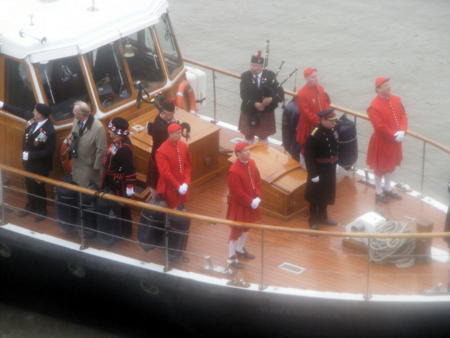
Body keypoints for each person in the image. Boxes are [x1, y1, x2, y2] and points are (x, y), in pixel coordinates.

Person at [0, 101, 55, 222]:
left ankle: (41, 210)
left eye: (35, 111)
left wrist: (31, 155)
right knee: (29, 186)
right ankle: (30, 206)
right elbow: (19, 111)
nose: (33, 112)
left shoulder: (48, 130)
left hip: (40, 166)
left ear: (40, 115)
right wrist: (3, 105)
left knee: (38, 188)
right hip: (29, 164)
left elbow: (49, 151)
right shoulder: (33, 119)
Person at [366, 77, 408, 203]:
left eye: (389, 85)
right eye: (385, 86)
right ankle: (378, 191)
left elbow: (403, 116)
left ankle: (388, 188)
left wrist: (402, 130)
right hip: (382, 141)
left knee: (391, 165)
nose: (389, 87)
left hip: (395, 140)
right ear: (378, 89)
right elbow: (379, 127)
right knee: (380, 168)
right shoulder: (373, 106)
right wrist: (394, 135)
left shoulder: (396, 99)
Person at [226, 142, 261, 269]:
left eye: (248, 150)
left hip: (251, 203)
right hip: (241, 206)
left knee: (247, 227)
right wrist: (250, 201)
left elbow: (257, 180)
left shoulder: (252, 163)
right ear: (238, 154)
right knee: (236, 231)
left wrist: (257, 196)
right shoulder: (234, 171)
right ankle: (230, 257)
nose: (248, 152)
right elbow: (237, 192)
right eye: (245, 151)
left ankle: (240, 249)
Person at [304, 109, 338, 230]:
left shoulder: (331, 131)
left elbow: (334, 147)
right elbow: (308, 156)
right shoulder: (315, 134)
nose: (334, 124)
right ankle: (312, 220)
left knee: (326, 193)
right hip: (318, 170)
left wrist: (336, 162)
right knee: (315, 196)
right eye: (331, 121)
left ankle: (323, 217)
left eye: (335, 121)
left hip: (330, 169)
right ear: (323, 120)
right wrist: (313, 173)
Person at [102, 117, 137, 236]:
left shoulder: (124, 149)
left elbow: (130, 170)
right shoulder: (117, 143)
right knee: (115, 205)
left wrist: (129, 188)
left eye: (110, 130)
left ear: (116, 132)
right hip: (110, 179)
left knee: (123, 206)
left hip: (118, 183)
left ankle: (126, 231)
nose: (108, 132)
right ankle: (117, 227)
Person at [239, 51, 280, 143]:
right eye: (252, 65)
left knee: (263, 137)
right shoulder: (245, 76)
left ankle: (261, 156)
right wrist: (255, 104)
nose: (253, 68)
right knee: (248, 136)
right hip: (249, 109)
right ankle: (247, 154)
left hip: (265, 112)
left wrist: (271, 99)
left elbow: (279, 92)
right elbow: (243, 94)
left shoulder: (270, 75)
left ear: (262, 67)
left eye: (256, 66)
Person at [66, 100, 106, 187]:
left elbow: (101, 149)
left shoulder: (98, 127)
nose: (73, 113)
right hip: (76, 162)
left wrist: (96, 168)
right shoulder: (76, 121)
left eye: (75, 111)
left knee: (86, 191)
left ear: (81, 114)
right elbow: (73, 133)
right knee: (76, 184)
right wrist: (70, 140)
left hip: (89, 167)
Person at [296, 68, 331, 163]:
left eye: (316, 76)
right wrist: (320, 122)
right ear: (307, 79)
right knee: (306, 147)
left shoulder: (321, 88)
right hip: (309, 126)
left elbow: (326, 104)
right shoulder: (301, 94)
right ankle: (303, 164)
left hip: (321, 123)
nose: (316, 78)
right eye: (313, 77)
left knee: (318, 147)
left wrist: (328, 118)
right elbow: (307, 113)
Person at [156, 123, 192, 209]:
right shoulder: (161, 151)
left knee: (181, 205)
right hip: (170, 186)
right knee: (171, 209)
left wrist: (186, 182)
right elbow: (165, 173)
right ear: (170, 134)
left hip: (182, 184)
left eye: (180, 133)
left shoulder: (183, 146)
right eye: (178, 133)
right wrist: (177, 186)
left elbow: (187, 166)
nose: (180, 135)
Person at [147, 100, 176, 190]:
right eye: (170, 115)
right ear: (163, 113)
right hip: (160, 155)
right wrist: (173, 124)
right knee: (159, 175)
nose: (172, 117)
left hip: (158, 152)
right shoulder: (161, 129)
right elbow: (171, 141)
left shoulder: (159, 118)